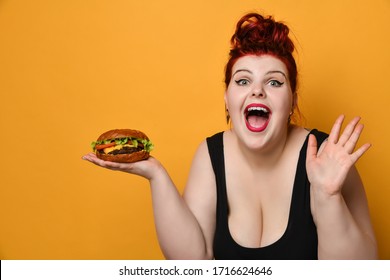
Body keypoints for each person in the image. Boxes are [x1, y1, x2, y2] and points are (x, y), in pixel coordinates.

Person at [82, 12, 377, 259]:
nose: (257, 90)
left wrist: (328, 197)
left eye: (274, 81)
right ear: (227, 98)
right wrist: (155, 174)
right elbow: (193, 262)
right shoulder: (211, 155)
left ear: (292, 101)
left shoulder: (329, 156)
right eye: (243, 80)